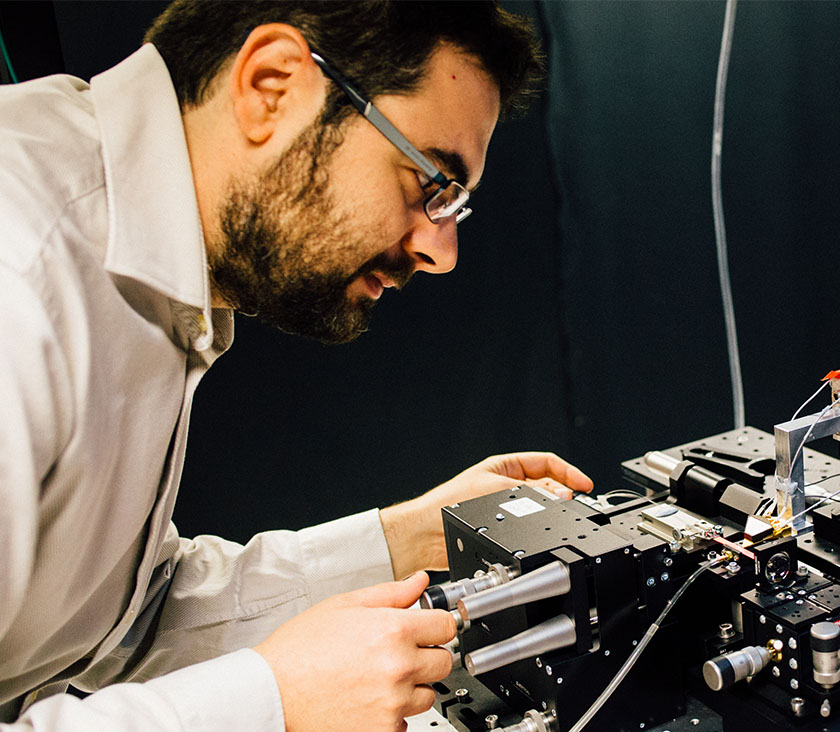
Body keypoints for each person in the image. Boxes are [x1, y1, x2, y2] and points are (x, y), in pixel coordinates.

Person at [0, 2, 593, 731]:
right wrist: (272, 703)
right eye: (430, 186)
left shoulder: (153, 273)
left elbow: (122, 621)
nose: (442, 254)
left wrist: (408, 537)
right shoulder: (18, 274)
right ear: (272, 86)